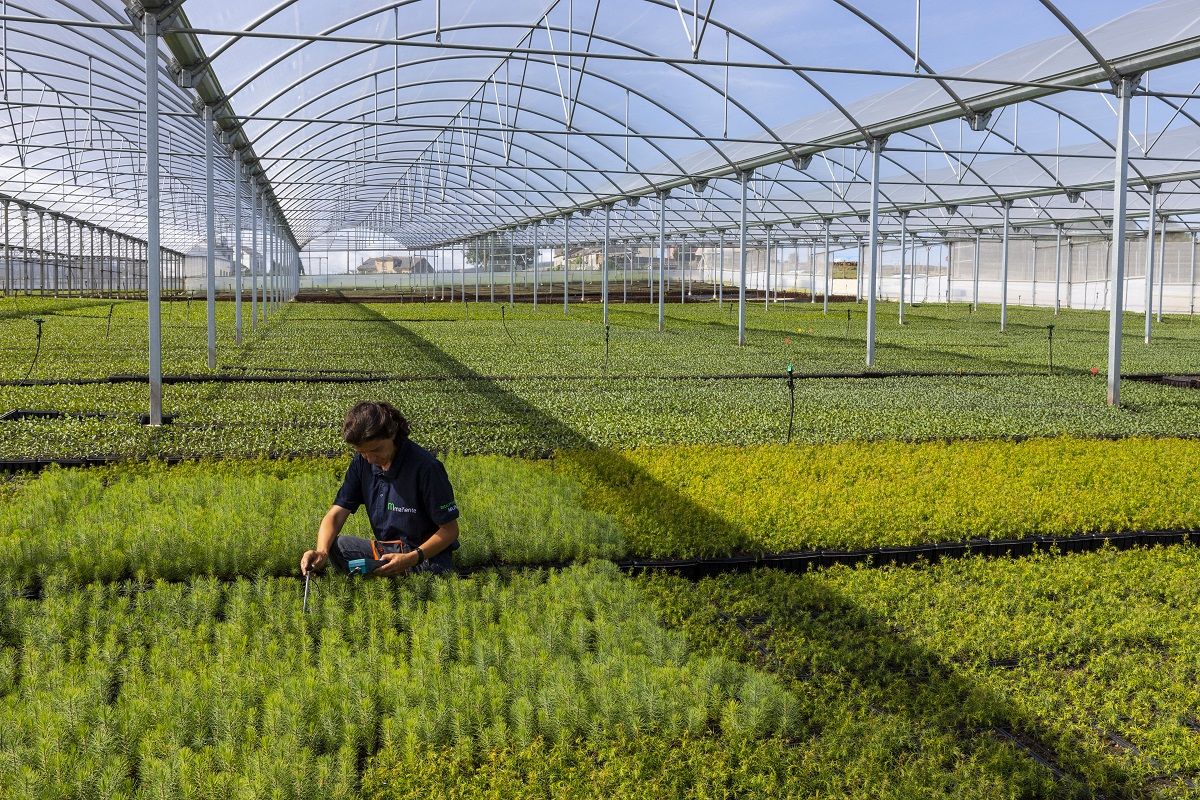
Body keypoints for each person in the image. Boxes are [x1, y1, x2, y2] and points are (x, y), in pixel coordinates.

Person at [300, 401, 460, 578]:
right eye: (362, 452)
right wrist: (321, 551)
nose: (369, 459)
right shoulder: (363, 463)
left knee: (430, 577)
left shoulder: (426, 468)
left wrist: (412, 558)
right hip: (387, 552)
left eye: (376, 450)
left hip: (424, 557)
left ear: (392, 434)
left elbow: (450, 530)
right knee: (337, 547)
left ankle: (399, 580)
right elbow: (336, 514)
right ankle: (385, 579)